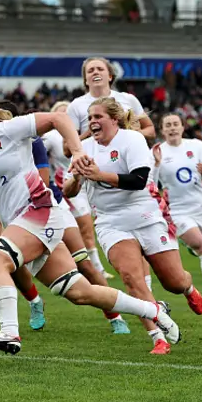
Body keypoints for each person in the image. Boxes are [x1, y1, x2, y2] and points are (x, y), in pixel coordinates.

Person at [0, 94, 180, 354]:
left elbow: (58, 118)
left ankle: (9, 333)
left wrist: (78, 151)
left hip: (40, 210)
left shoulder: (9, 130)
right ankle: (154, 310)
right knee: (79, 292)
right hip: (22, 225)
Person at [63, 98, 202, 355]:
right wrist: (76, 177)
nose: (92, 122)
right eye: (90, 117)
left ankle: (188, 288)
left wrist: (99, 175)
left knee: (173, 281)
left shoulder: (132, 140)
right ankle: (157, 336)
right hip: (110, 221)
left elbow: (139, 180)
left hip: (145, 215)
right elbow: (68, 191)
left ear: (114, 120)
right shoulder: (83, 148)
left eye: (98, 117)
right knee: (131, 278)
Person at [42, 101, 131, 335]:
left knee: (84, 257)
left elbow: (67, 151)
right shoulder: (44, 138)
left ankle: (117, 315)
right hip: (56, 194)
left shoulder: (78, 139)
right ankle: (33, 303)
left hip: (62, 196)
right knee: (10, 266)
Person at [64, 57, 156, 281]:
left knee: (144, 232)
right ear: (85, 79)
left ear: (110, 75)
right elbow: (68, 148)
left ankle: (150, 290)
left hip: (130, 162)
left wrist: (123, 136)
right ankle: (146, 296)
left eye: (100, 68)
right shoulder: (76, 106)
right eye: (90, 70)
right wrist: (93, 132)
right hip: (99, 167)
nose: (95, 72)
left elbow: (150, 131)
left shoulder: (128, 100)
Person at [151, 113, 202, 308]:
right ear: (162, 130)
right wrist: (156, 165)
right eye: (168, 125)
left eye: (175, 124)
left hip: (201, 207)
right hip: (177, 211)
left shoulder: (196, 146)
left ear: (182, 127)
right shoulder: (158, 151)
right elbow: (152, 184)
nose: (172, 128)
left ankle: (192, 247)